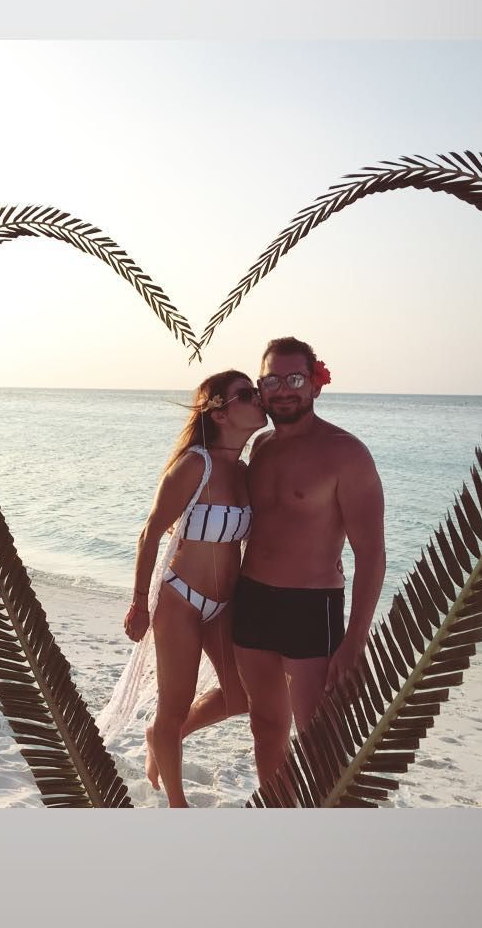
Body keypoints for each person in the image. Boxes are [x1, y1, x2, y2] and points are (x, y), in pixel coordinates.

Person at [183, 336, 385, 800]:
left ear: (315, 384)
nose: (283, 390)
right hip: (252, 599)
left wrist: (356, 639)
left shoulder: (346, 453)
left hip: (311, 607)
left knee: (320, 738)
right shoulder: (260, 446)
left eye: (294, 378)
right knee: (266, 723)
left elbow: (372, 554)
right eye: (271, 381)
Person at [116, 370, 266, 808]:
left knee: (241, 696)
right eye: (246, 394)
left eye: (256, 392)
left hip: (223, 603)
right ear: (219, 413)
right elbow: (150, 534)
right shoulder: (195, 464)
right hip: (180, 599)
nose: (258, 398)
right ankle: (178, 805)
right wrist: (138, 603)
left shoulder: (244, 471)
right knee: (174, 704)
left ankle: (164, 738)